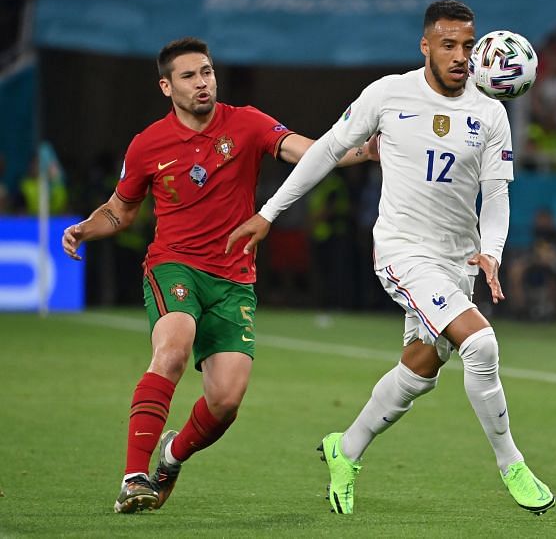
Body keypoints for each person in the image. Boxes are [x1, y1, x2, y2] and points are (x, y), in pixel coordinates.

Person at [227, 0, 555, 516]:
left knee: (422, 370)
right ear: (425, 46)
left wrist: (490, 251)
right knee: (482, 344)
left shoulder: (490, 112)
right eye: (448, 45)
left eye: (468, 45)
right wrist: (269, 212)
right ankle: (511, 463)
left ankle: (346, 448)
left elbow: (496, 195)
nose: (460, 56)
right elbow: (326, 151)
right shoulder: (387, 94)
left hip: (456, 260)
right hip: (402, 251)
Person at [61, 37, 373, 514]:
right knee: (172, 351)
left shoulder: (246, 122)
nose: (202, 82)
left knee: (226, 401)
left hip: (234, 278)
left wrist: (361, 150)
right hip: (174, 265)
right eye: (189, 76)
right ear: (167, 86)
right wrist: (86, 227)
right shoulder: (148, 144)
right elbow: (120, 211)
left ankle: (170, 456)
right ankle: (133, 476)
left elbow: (304, 152)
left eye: (206, 72)